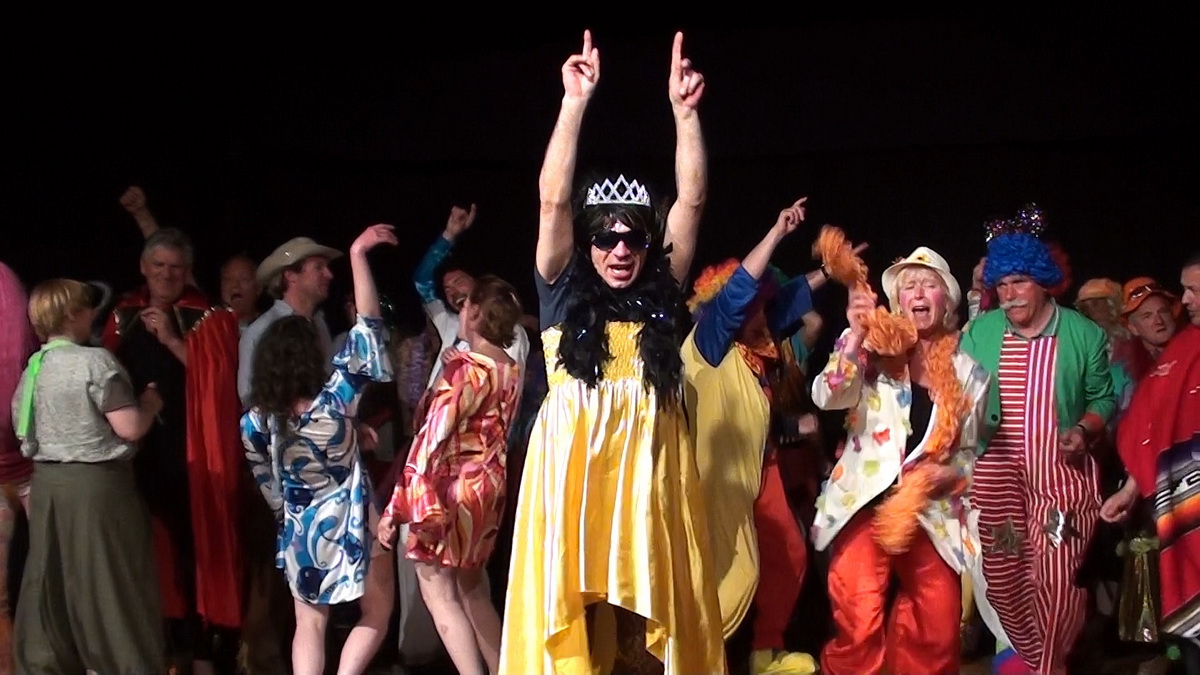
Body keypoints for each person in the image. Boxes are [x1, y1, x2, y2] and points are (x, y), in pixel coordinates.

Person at [499, 30, 725, 673]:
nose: (620, 249)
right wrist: (573, 105)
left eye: (633, 239)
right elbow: (552, 199)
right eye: (605, 238)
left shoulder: (662, 290)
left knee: (646, 629)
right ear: (588, 242)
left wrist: (685, 116)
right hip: (574, 481)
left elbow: (692, 201)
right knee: (576, 619)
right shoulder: (561, 290)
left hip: (648, 479)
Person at [808, 242, 989, 674]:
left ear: (947, 301)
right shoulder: (870, 350)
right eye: (909, 286)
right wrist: (854, 337)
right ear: (898, 300)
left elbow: (970, 453)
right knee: (858, 615)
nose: (919, 293)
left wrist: (945, 477)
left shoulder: (970, 373)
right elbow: (827, 397)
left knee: (939, 623)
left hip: (928, 508)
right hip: (865, 502)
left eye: (929, 285)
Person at [961, 205, 1116, 674]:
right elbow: (956, 396)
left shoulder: (1083, 334)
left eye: (1020, 282)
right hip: (998, 480)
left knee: (1058, 579)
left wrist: (1084, 429)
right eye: (1002, 285)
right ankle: (1034, 658)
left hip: (1061, 479)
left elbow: (1103, 397)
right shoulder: (981, 332)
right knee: (1004, 580)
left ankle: (1047, 667)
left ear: (1044, 282)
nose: (1009, 295)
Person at [241, 224, 398, 675]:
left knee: (308, 624)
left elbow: (266, 478)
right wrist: (358, 255)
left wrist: (286, 510)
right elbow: (369, 327)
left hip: (300, 528)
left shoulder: (255, 422)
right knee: (377, 611)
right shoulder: (335, 405)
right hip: (353, 525)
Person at [683, 199, 825, 674]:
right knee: (733, 574)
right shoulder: (709, 345)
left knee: (789, 554)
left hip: (761, 472)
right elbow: (741, 291)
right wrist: (777, 231)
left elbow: (783, 304)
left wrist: (829, 271)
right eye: (753, 308)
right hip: (717, 482)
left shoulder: (752, 353)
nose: (764, 315)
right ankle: (696, 658)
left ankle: (766, 652)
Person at [102, 227, 244, 673]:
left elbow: (221, 387)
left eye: (176, 268)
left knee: (192, 551)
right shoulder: (122, 315)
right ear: (143, 267)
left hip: (194, 454)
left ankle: (202, 650)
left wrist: (170, 340)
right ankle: (161, 648)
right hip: (139, 454)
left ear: (188, 272)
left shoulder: (208, 317)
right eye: (159, 265)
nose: (167, 274)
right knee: (148, 553)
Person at [11, 279, 166, 673]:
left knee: (55, 584)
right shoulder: (93, 363)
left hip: (48, 488)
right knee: (111, 584)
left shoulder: (33, 369)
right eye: (87, 307)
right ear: (71, 315)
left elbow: (22, 429)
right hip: (97, 490)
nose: (94, 313)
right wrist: (149, 403)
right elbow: (129, 427)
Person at [379, 276, 524, 675]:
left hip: (452, 490)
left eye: (464, 306)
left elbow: (430, 440)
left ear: (475, 313)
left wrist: (394, 508)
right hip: (488, 490)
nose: (459, 312)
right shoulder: (509, 369)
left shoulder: (466, 370)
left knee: (438, 591)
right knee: (472, 590)